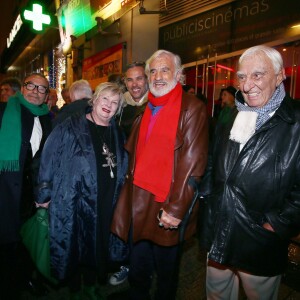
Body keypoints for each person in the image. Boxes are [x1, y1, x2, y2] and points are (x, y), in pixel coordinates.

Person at [200, 45, 300, 300]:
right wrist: (208, 202)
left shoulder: (295, 120)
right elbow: (212, 162)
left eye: (258, 75)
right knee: (217, 295)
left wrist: (275, 225)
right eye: (242, 77)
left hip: (259, 241)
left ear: (279, 77)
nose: (247, 85)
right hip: (218, 233)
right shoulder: (229, 113)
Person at [111, 50, 209, 299]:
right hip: (138, 201)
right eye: (152, 71)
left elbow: (193, 164)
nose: (158, 76)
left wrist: (176, 209)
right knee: (139, 266)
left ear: (179, 75)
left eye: (165, 70)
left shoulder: (192, 107)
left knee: (166, 273)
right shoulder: (146, 108)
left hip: (167, 202)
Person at [36, 82, 128, 299]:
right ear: (94, 100)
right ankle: (77, 289)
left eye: (114, 103)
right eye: (105, 99)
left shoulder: (118, 132)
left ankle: (92, 284)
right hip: (75, 198)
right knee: (76, 244)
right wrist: (43, 194)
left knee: (99, 243)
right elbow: (47, 158)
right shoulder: (70, 126)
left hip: (107, 199)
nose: (108, 105)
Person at [0, 73, 52, 299]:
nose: (35, 91)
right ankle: (8, 284)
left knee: (27, 238)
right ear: (23, 87)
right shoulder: (4, 111)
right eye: (31, 86)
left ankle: (26, 278)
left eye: (41, 89)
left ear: (46, 95)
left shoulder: (48, 118)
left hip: (32, 191)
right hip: (5, 187)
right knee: (6, 239)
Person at [117, 61, 149, 137]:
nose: (134, 84)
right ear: (125, 82)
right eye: (130, 80)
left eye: (139, 78)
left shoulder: (157, 105)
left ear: (147, 80)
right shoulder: (119, 106)